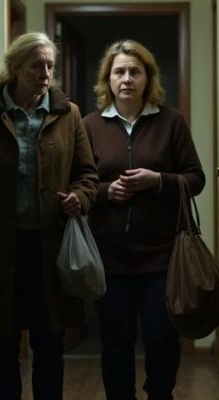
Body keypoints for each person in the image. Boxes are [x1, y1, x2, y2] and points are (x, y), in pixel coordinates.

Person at [0, 32, 98, 399]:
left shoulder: (68, 114)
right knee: (2, 346)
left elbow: (87, 175)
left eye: (50, 66)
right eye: (36, 66)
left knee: (49, 346)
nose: (45, 74)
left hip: (50, 248)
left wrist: (79, 197)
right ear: (14, 68)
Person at [83, 39, 206, 399]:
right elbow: (78, 183)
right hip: (110, 258)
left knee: (162, 339)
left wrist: (158, 181)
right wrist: (106, 192)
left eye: (135, 71)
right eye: (119, 72)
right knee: (116, 343)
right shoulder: (89, 125)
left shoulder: (171, 122)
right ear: (108, 80)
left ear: (147, 78)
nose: (127, 79)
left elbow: (196, 178)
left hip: (162, 258)